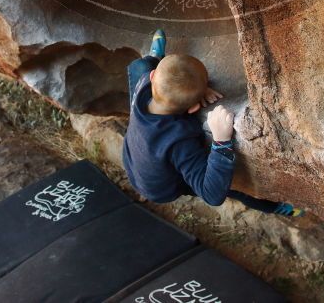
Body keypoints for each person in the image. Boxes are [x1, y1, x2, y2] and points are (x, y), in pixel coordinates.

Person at [122, 30, 304, 217]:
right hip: (160, 188)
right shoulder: (178, 142)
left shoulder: (143, 84)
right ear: (194, 108)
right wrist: (221, 141)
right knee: (236, 189)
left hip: (130, 161)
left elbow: (153, 75)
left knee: (141, 65)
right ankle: (273, 207)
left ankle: (155, 58)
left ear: (153, 76)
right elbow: (211, 194)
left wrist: (195, 91)